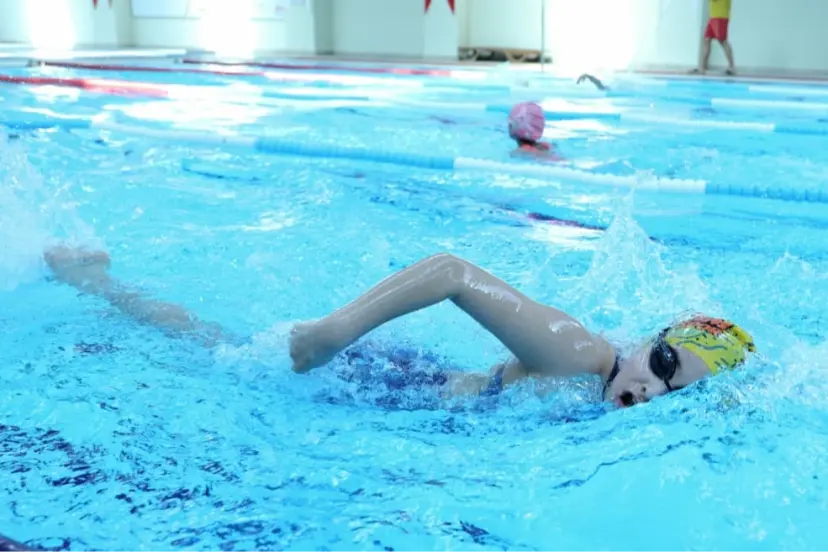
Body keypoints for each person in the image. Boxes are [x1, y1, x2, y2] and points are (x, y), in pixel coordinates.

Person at [45, 247, 755, 408]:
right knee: (213, 348)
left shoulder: (610, 395)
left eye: (676, 391)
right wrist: (333, 333)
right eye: (664, 363)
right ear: (646, 341)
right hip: (376, 381)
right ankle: (94, 281)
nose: (651, 389)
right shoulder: (579, 353)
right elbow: (451, 271)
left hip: (410, 390)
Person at [693, 0, 736, 76]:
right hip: (714, 16)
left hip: (720, 16)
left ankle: (732, 67)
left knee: (722, 41)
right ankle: (702, 67)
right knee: (706, 40)